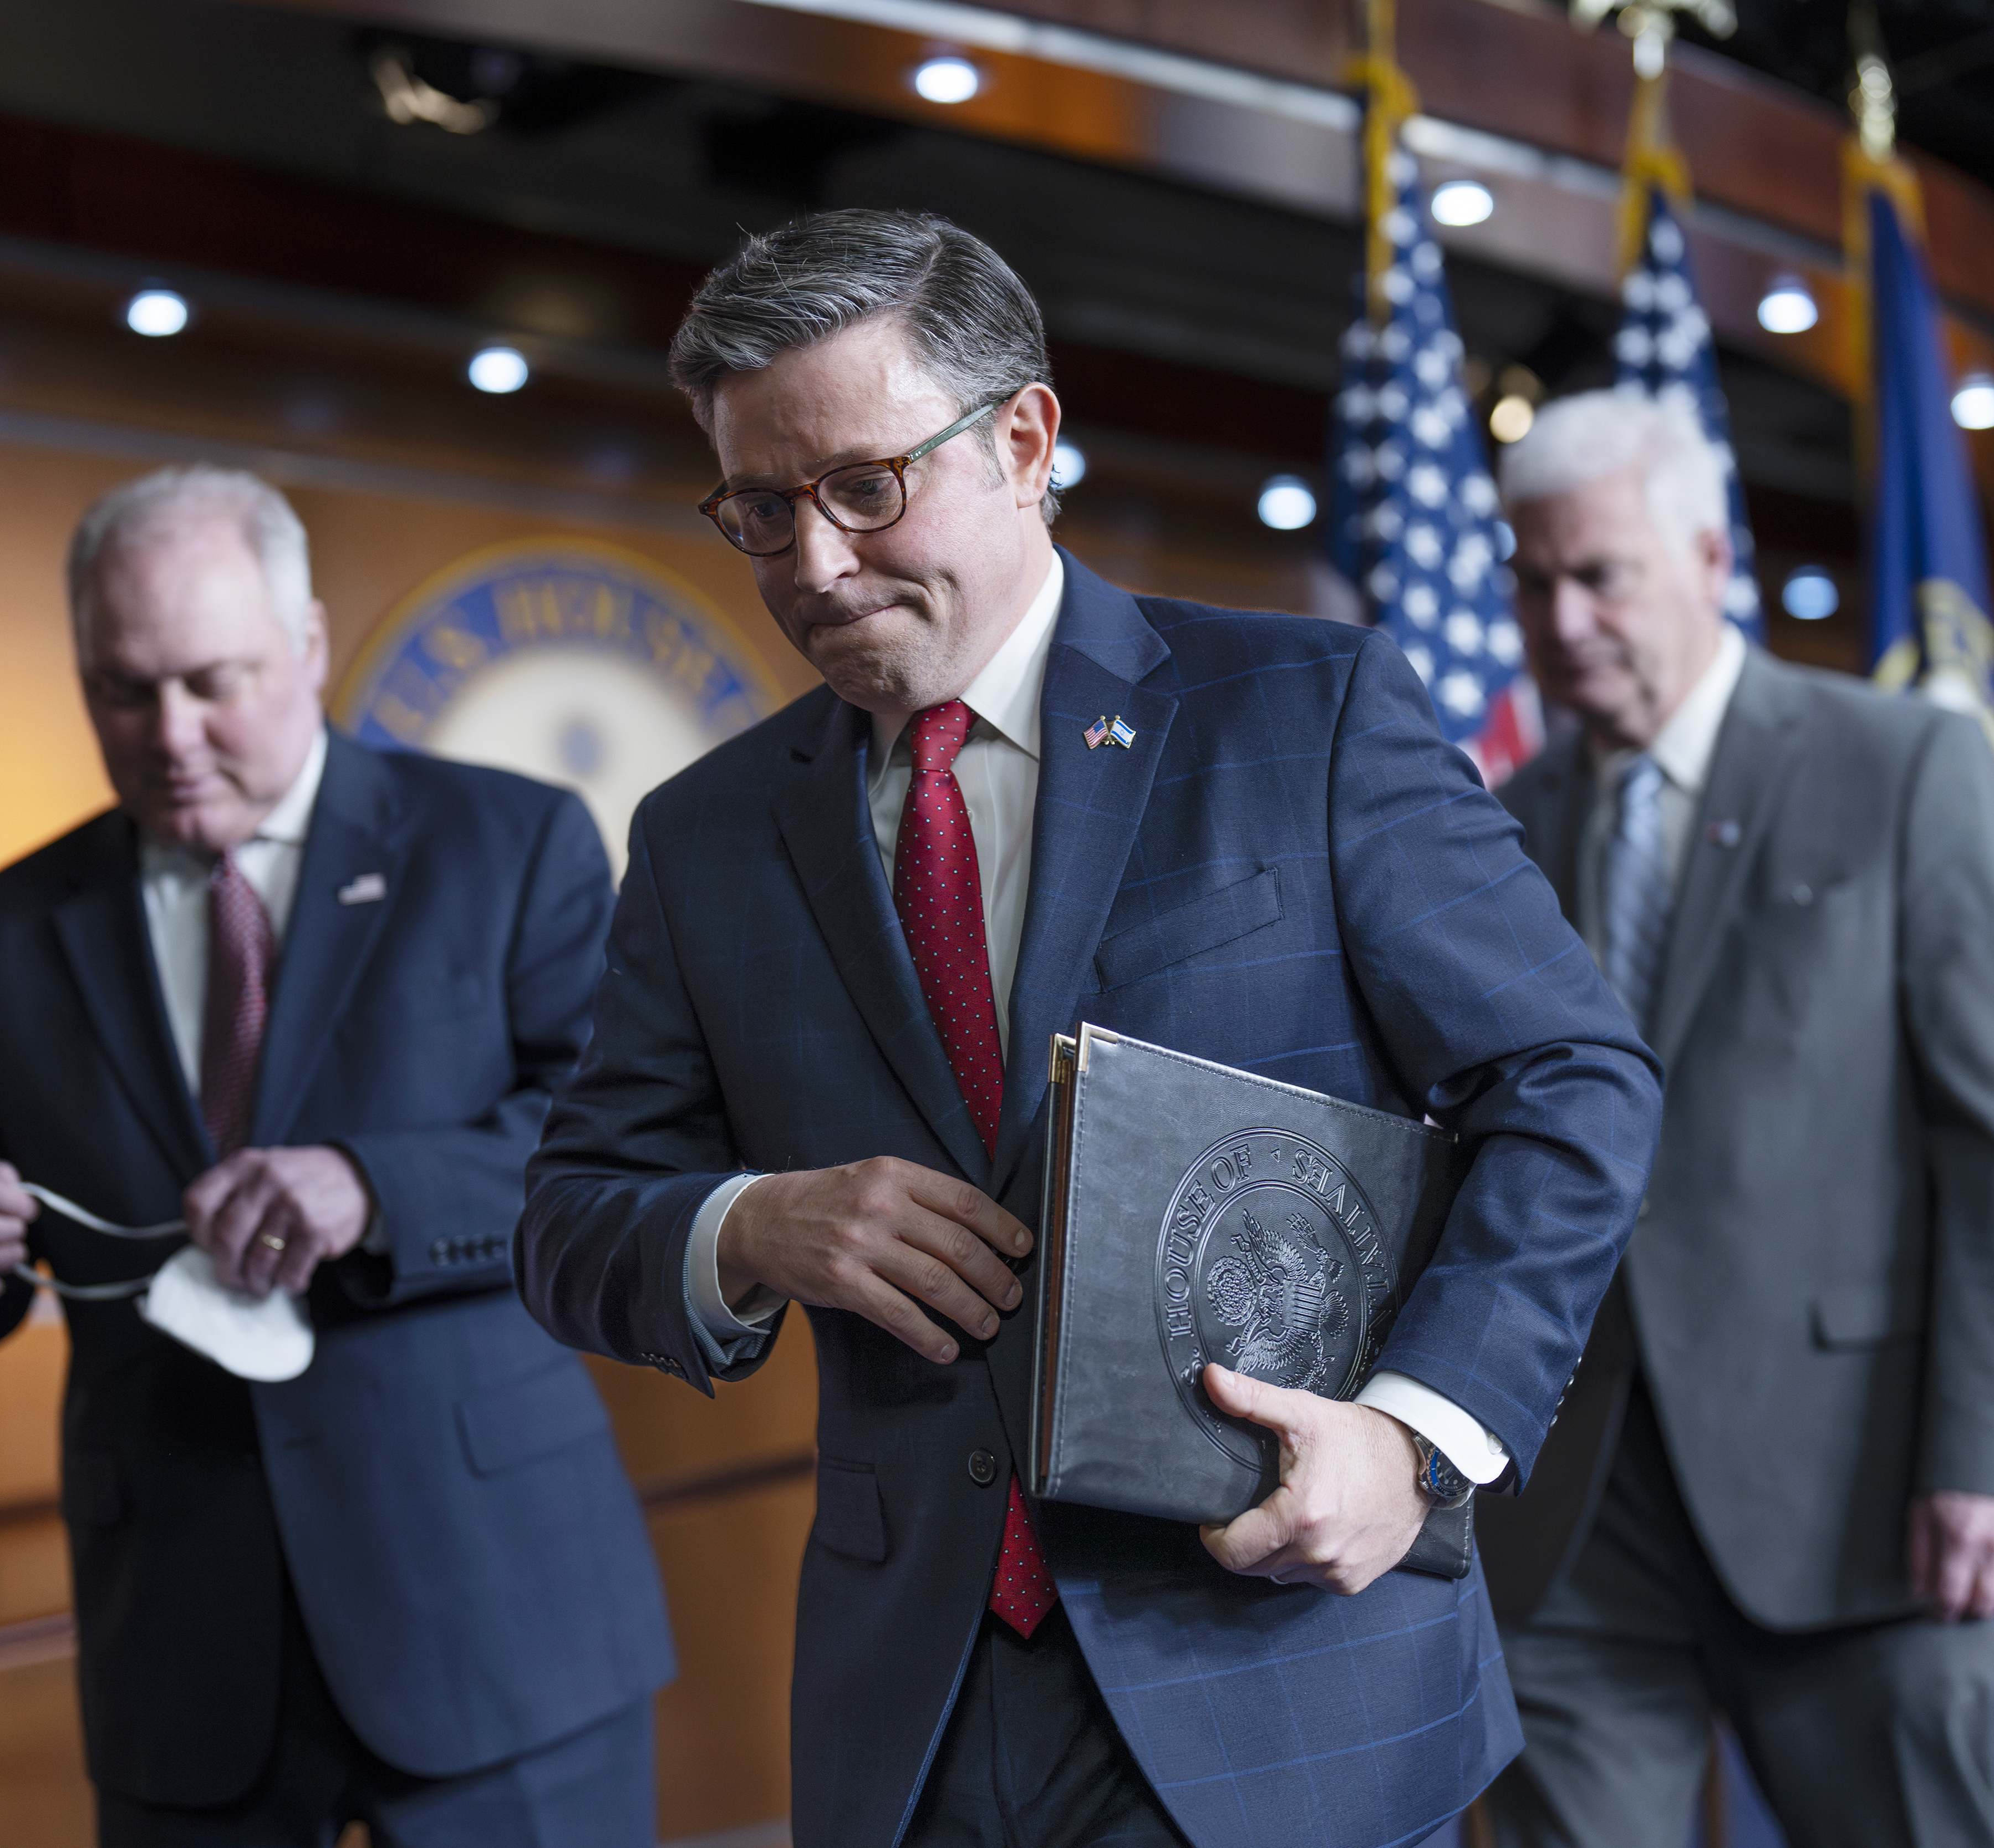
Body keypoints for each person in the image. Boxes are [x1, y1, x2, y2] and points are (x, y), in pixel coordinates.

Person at [516, 209, 1659, 1848]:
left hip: (1285, 1669)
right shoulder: (705, 837)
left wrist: (1414, 1441)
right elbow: (570, 1218)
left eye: (862, 486)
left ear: (1027, 439)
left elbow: (1573, 1083)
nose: (814, 567)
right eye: (760, 511)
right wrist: (751, 1223)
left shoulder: (1301, 713)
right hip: (915, 1711)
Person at [0, 465, 673, 1846]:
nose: (168, 732)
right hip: (182, 1649)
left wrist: (375, 1184)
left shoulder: (509, 843)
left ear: (308, 646)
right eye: (121, 688)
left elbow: (617, 1150)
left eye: (213, 680)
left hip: (497, 1620)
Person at [1478, 391, 1994, 1848]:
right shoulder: (1504, 821)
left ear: (1708, 556)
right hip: (1575, 1514)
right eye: (1534, 575)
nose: (1562, 619)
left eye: (1601, 573)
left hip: (1861, 1488)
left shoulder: (1905, 767)